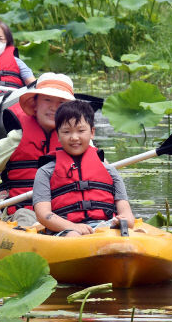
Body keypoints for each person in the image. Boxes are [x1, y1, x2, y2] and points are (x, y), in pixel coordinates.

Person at [0, 73, 76, 226]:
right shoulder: (16, 139)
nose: (53, 107)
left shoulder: (78, 140)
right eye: (47, 100)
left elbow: (105, 173)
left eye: (61, 102)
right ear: (35, 104)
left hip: (66, 211)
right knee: (25, 217)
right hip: (25, 212)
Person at [33, 100, 135, 237]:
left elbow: (127, 214)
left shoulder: (110, 171)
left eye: (81, 130)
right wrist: (73, 226)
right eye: (66, 132)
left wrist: (124, 220)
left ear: (92, 132)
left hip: (105, 227)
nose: (74, 137)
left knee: (127, 234)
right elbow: (43, 214)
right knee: (73, 236)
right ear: (57, 135)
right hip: (66, 230)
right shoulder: (45, 172)